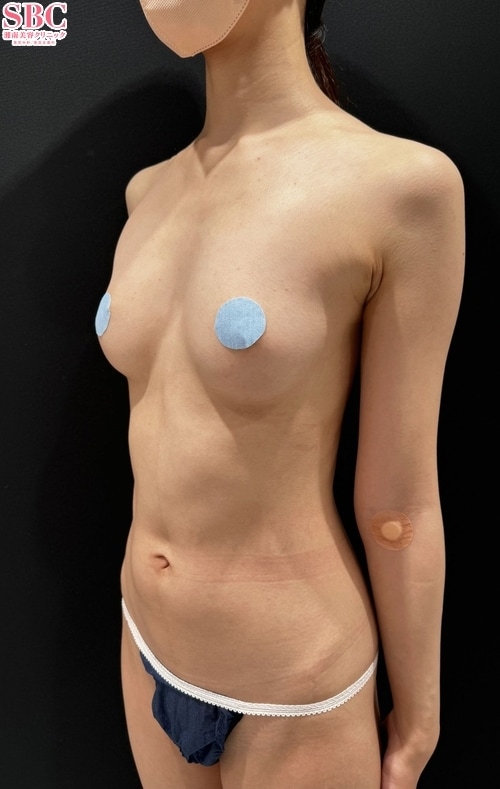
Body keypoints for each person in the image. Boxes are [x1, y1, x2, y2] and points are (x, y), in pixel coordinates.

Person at [95, 1, 465, 787]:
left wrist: (419, 716)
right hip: (144, 636)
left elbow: (399, 502)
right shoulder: (146, 193)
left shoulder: (400, 187)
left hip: (291, 682)